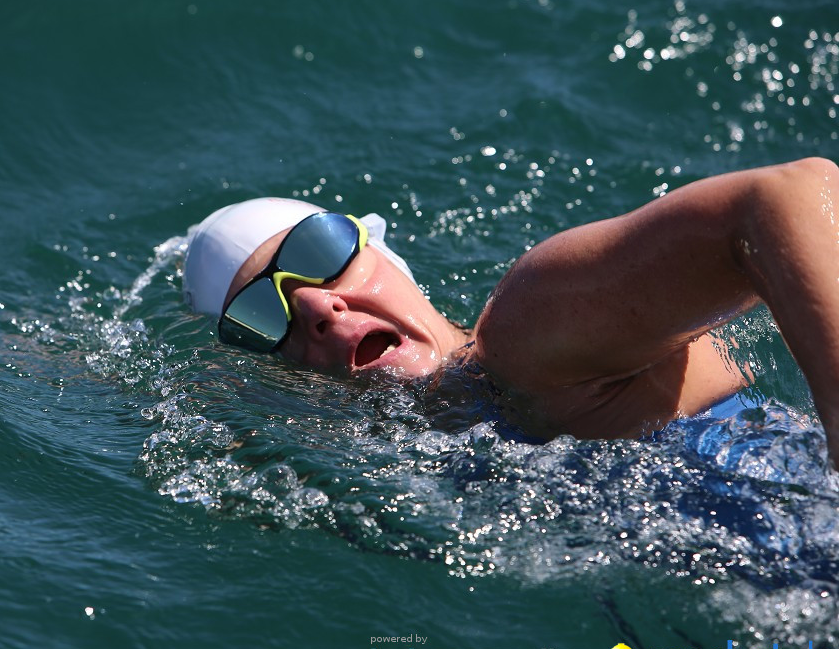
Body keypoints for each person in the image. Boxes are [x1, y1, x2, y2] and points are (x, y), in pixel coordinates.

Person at [182, 158, 839, 466]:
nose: (318, 307)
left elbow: (785, 197)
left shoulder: (526, 336)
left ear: (386, 258)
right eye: (262, 317)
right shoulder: (411, 465)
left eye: (319, 250)